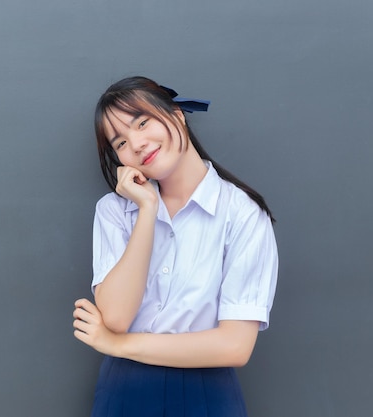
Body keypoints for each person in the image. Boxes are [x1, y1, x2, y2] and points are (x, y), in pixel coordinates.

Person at [72, 76, 278, 417]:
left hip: (207, 392)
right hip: (124, 390)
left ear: (177, 114)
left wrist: (116, 344)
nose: (136, 144)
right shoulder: (114, 211)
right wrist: (147, 210)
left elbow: (235, 347)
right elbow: (117, 317)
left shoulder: (241, 213)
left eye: (142, 122)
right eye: (120, 142)